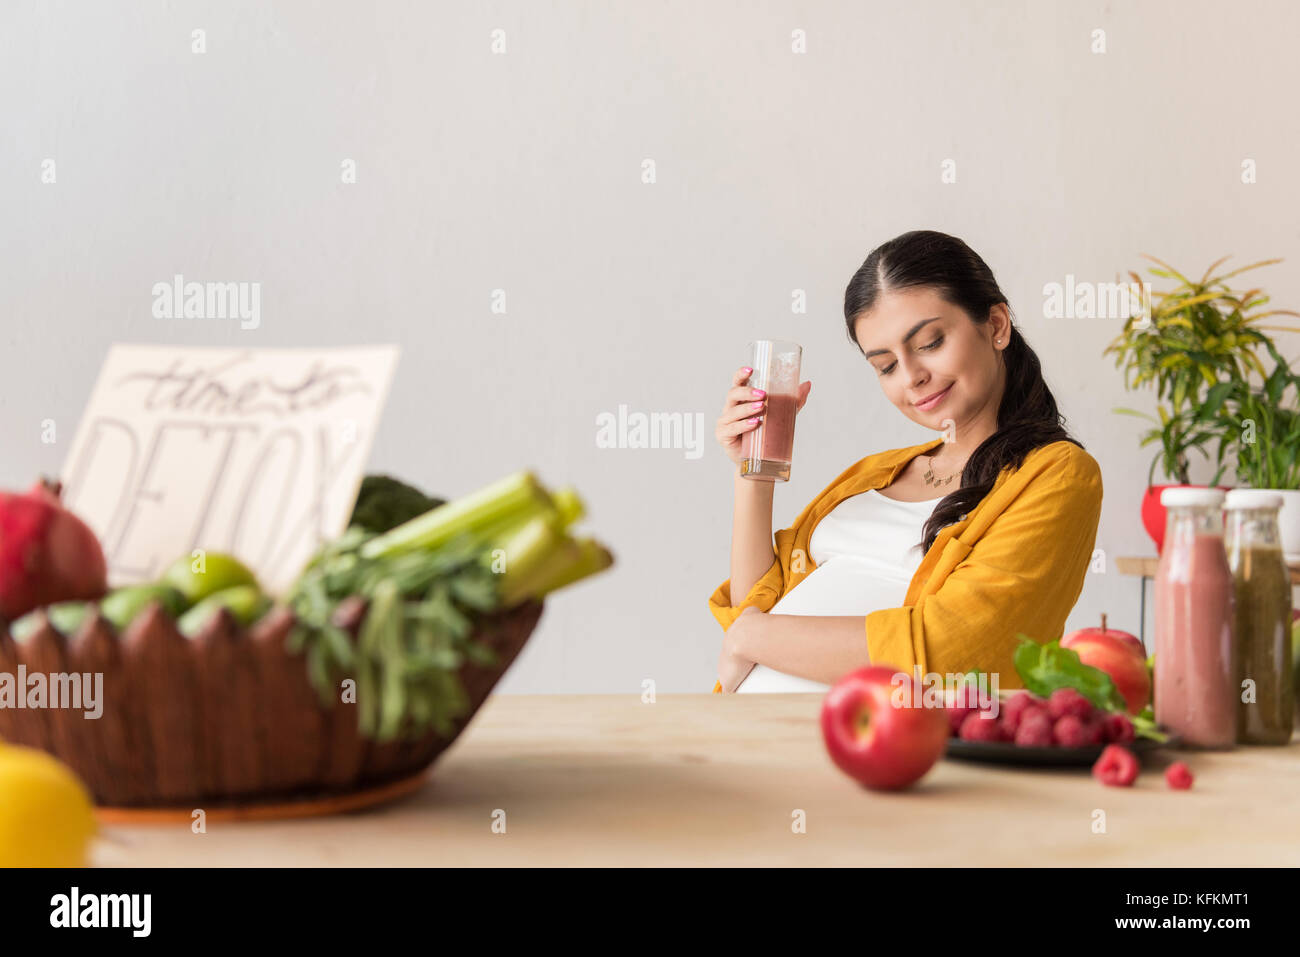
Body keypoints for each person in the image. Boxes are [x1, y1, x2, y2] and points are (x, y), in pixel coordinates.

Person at [708, 229, 1103, 693]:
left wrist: (753, 636)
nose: (912, 377)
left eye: (931, 342)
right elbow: (755, 602)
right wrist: (752, 473)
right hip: (739, 740)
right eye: (886, 366)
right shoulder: (872, 474)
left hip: (883, 755)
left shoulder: (1056, 474)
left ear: (996, 325)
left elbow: (954, 650)